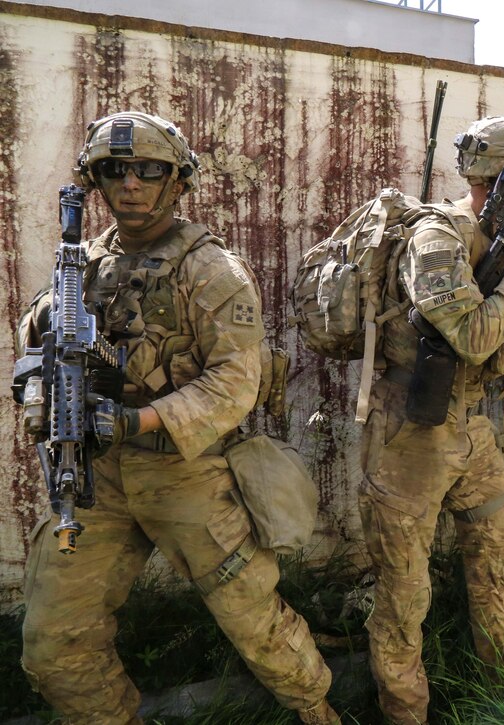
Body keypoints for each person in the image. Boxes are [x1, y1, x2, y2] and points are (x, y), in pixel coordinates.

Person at [15, 112, 338, 724]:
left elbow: (234, 383)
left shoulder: (209, 268)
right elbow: (36, 356)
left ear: (177, 181)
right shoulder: (78, 266)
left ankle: (318, 708)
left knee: (253, 620)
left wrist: (140, 422)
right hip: (96, 479)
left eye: (148, 171)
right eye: (114, 171)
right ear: (96, 182)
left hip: (188, 474)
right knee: (52, 641)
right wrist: (42, 378)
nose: (130, 185)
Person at [357, 116, 504, 725]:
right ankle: (405, 711)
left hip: (471, 426)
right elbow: (471, 335)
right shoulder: (437, 238)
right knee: (404, 591)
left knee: (503, 557)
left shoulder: (500, 233)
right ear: (501, 181)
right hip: (411, 435)